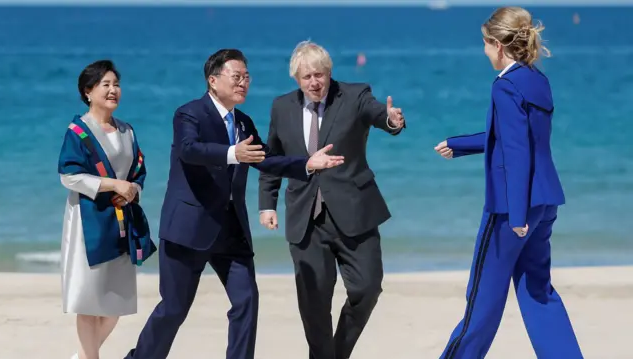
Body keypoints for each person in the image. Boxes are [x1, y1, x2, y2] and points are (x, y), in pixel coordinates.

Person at [124, 49, 345, 359]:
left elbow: (268, 159)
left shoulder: (243, 122)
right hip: (189, 228)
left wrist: (308, 163)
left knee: (246, 301)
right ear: (213, 81)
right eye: (236, 77)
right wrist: (232, 154)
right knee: (173, 309)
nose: (243, 83)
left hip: (231, 231)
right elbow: (190, 150)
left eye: (247, 77)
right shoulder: (189, 114)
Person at [433, 7, 583, 359]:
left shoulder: (504, 85)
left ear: (499, 45)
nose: (484, 52)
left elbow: (516, 150)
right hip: (545, 202)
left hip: (509, 211)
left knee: (481, 303)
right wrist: (460, 144)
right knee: (538, 292)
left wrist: (515, 214)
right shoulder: (536, 79)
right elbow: (520, 136)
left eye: (485, 44)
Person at [257, 40, 405, 359]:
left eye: (320, 74)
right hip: (305, 220)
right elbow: (273, 158)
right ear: (296, 78)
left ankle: (337, 353)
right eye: (307, 76)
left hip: (355, 211)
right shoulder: (282, 107)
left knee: (367, 288)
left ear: (329, 73)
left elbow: (378, 113)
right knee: (314, 304)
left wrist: (392, 120)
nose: (315, 82)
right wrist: (267, 203)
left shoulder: (354, 95)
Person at [57, 60, 156, 359]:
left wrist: (131, 192)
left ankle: (83, 356)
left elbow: (138, 171)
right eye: (105, 85)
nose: (113, 90)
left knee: (115, 304)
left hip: (121, 222)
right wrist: (113, 185)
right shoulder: (78, 131)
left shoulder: (127, 130)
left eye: (116, 84)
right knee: (88, 302)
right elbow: (68, 175)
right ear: (88, 92)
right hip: (88, 224)